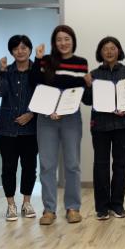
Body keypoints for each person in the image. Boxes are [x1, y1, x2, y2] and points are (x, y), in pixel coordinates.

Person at [30, 25, 88, 226]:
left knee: (72, 164)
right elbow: (35, 84)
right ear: (54, 42)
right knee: (47, 165)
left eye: (67, 39)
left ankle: (73, 208)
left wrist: (87, 84)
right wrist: (37, 59)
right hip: (46, 118)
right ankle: (49, 210)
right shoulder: (46, 61)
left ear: (73, 40)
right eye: (59, 39)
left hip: (71, 117)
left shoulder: (81, 63)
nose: (63, 43)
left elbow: (80, 93)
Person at [83, 37, 125, 220]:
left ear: (119, 51)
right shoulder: (94, 74)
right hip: (100, 125)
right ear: (100, 53)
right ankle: (101, 207)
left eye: (113, 48)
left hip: (123, 125)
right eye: (105, 49)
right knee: (100, 165)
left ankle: (117, 204)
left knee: (120, 165)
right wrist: (87, 86)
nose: (109, 52)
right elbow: (87, 101)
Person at [0, 35, 38, 221]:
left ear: (30, 50)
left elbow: (44, 95)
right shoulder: (6, 70)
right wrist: (2, 71)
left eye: (24, 47)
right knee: (8, 167)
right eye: (16, 48)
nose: (20, 51)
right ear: (11, 51)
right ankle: (11, 205)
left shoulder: (37, 70)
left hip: (31, 128)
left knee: (29, 167)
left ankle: (27, 203)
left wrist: (31, 113)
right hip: (7, 128)